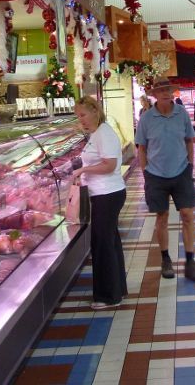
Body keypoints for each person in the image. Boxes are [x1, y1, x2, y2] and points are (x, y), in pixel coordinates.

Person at [135, 77, 195, 281]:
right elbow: (142, 148)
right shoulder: (147, 118)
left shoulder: (181, 113)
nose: (166, 93)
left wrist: (190, 166)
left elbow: (189, 141)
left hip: (182, 171)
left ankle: (190, 262)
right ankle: (166, 259)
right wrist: (146, 173)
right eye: (161, 90)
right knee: (162, 217)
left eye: (168, 89)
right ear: (154, 94)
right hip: (155, 175)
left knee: (187, 215)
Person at [71, 97, 128, 309]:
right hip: (104, 193)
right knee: (110, 242)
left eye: (83, 115)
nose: (81, 120)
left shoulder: (104, 133)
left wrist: (83, 170)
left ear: (95, 111)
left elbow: (110, 166)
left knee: (102, 244)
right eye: (78, 116)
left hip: (108, 194)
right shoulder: (97, 133)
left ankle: (107, 296)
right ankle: (117, 289)